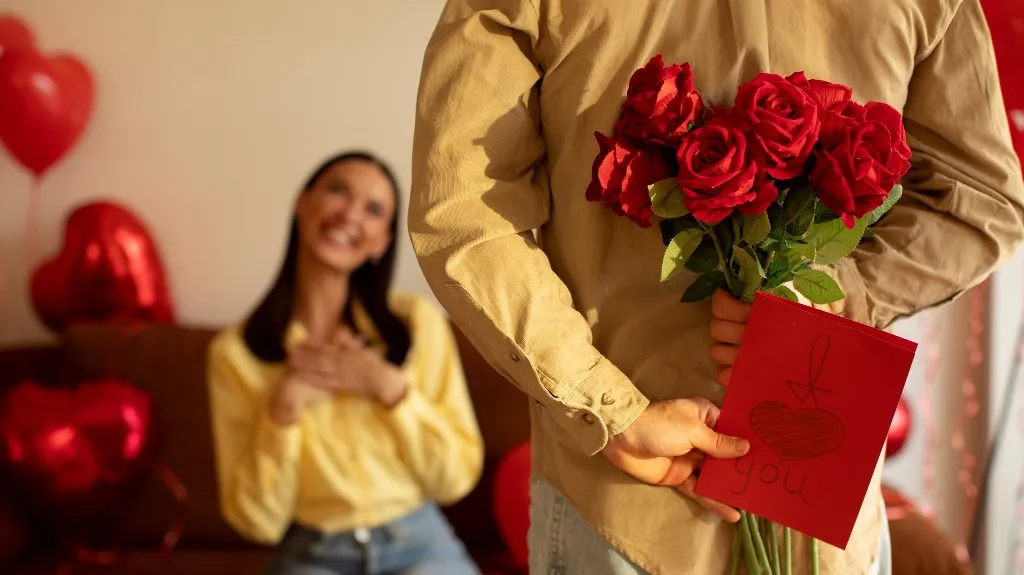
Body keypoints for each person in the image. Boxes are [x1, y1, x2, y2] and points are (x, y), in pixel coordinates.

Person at [407, 1, 1024, 574]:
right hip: (706, 505)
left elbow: (465, 212)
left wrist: (609, 408)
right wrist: (836, 298)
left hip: (627, 501)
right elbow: (981, 200)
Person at [207, 151, 484, 575]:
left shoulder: (417, 324)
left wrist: (388, 387)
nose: (350, 214)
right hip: (310, 552)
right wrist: (283, 410)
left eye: (374, 210)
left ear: (382, 242)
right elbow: (257, 522)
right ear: (302, 202)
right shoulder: (235, 353)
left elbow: (455, 478)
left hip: (418, 542)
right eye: (338, 190)